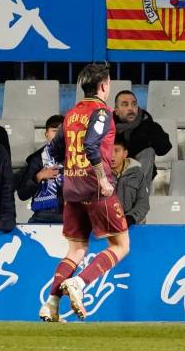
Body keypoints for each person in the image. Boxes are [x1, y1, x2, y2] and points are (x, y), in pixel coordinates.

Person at [40, 64, 132, 322]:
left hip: (72, 188)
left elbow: (55, 149)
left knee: (76, 250)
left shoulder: (71, 114)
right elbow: (92, 145)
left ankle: (51, 303)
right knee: (121, 245)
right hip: (95, 188)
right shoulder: (102, 112)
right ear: (103, 86)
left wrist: (71, 169)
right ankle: (80, 283)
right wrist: (102, 179)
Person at [16, 114, 65, 223]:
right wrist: (38, 177)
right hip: (43, 217)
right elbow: (22, 194)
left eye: (62, 131)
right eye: (54, 130)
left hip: (70, 216)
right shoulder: (36, 159)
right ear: (46, 134)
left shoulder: (77, 157)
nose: (58, 135)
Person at [113, 89, 172, 158]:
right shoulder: (106, 127)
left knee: (148, 151)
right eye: (125, 105)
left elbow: (163, 149)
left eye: (134, 104)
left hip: (142, 166)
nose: (131, 108)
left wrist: (148, 130)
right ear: (116, 111)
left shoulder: (148, 124)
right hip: (115, 167)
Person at [111, 134, 152, 225]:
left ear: (125, 154)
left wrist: (131, 218)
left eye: (116, 151)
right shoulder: (100, 175)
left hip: (134, 225)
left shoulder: (137, 174)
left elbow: (143, 203)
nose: (112, 155)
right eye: (108, 150)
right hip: (107, 226)